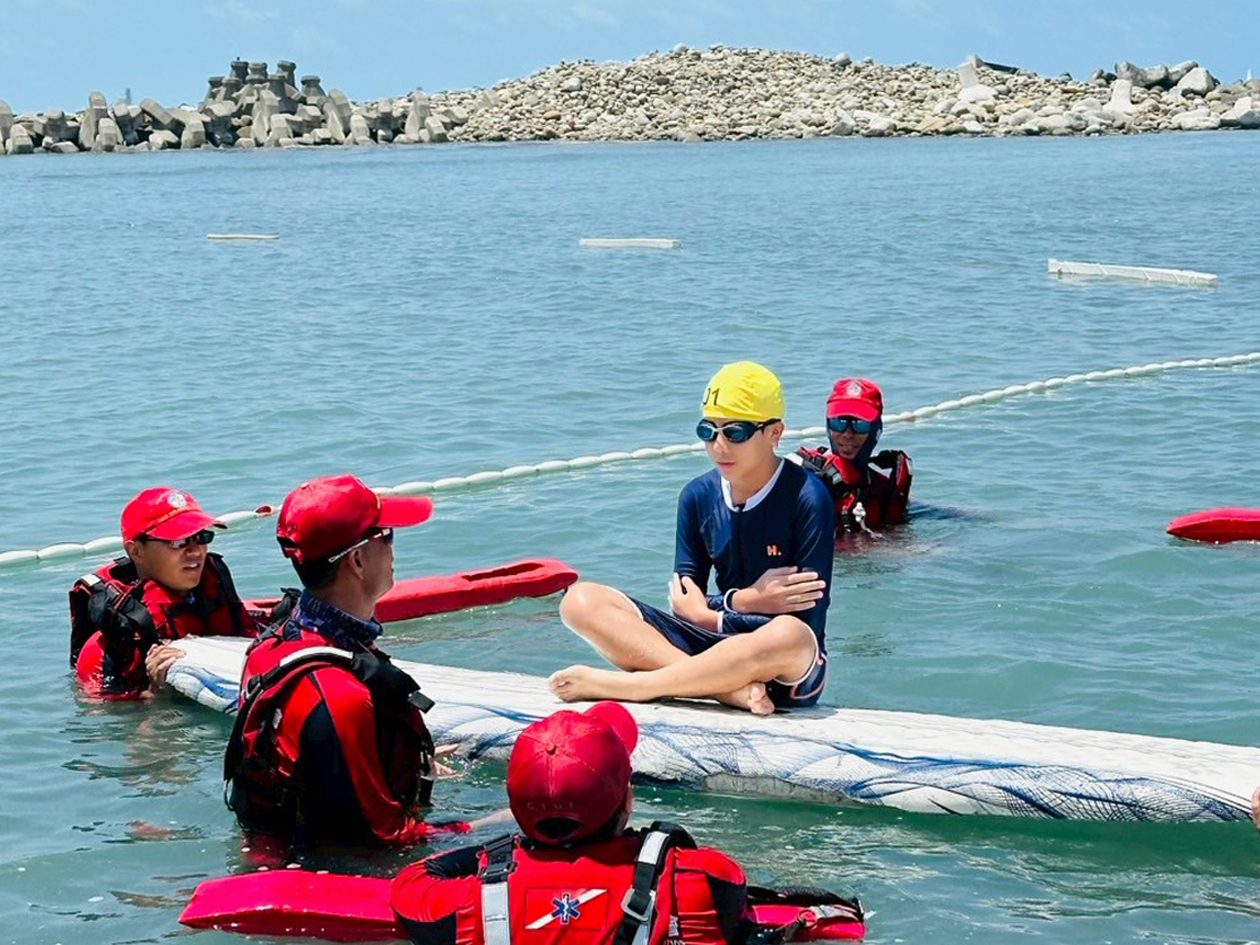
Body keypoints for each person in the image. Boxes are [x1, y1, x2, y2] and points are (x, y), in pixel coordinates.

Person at [389, 703, 864, 945]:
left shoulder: (465, 901)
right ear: (629, 799)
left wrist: (500, 852)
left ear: (516, 806)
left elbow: (411, 886)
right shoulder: (699, 880)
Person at [550, 362, 835, 716]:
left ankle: (638, 687)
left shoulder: (808, 497)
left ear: (775, 433)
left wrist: (713, 615)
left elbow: (808, 620)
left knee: (788, 633)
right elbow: (685, 608)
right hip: (707, 650)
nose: (719, 446)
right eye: (708, 430)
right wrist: (743, 601)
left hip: (783, 670)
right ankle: (727, 692)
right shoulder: (697, 496)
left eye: (735, 432)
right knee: (580, 601)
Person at [223, 473, 470, 848]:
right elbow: (384, 839)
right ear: (356, 559)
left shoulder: (270, 646)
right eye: (386, 535)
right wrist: (491, 824)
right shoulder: (339, 697)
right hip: (332, 873)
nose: (393, 548)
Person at [69, 486, 256, 699]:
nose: (196, 551)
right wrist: (157, 693)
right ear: (136, 551)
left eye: (202, 536)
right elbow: (110, 724)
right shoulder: (104, 649)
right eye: (178, 541)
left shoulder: (216, 588)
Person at [796, 378, 912, 536]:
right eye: (839, 423)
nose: (847, 434)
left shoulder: (881, 488)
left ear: (876, 430)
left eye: (860, 424)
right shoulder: (807, 479)